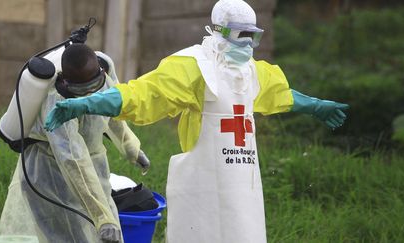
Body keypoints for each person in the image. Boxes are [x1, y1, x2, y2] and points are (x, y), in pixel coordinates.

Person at [44, 0, 349, 242]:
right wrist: (85, 103)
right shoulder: (193, 67)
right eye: (241, 35)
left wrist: (316, 106)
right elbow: (141, 94)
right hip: (203, 191)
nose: (248, 45)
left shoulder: (252, 72)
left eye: (254, 36)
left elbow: (281, 94)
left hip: (244, 191)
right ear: (219, 31)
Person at [0, 44, 150, 243]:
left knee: (105, 232)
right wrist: (103, 218)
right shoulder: (57, 104)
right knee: (70, 237)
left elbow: (111, 111)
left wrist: (131, 147)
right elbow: (72, 159)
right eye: (81, 90)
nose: (88, 95)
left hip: (93, 166)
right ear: (65, 82)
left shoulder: (104, 72)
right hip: (50, 176)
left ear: (101, 72)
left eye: (92, 87)